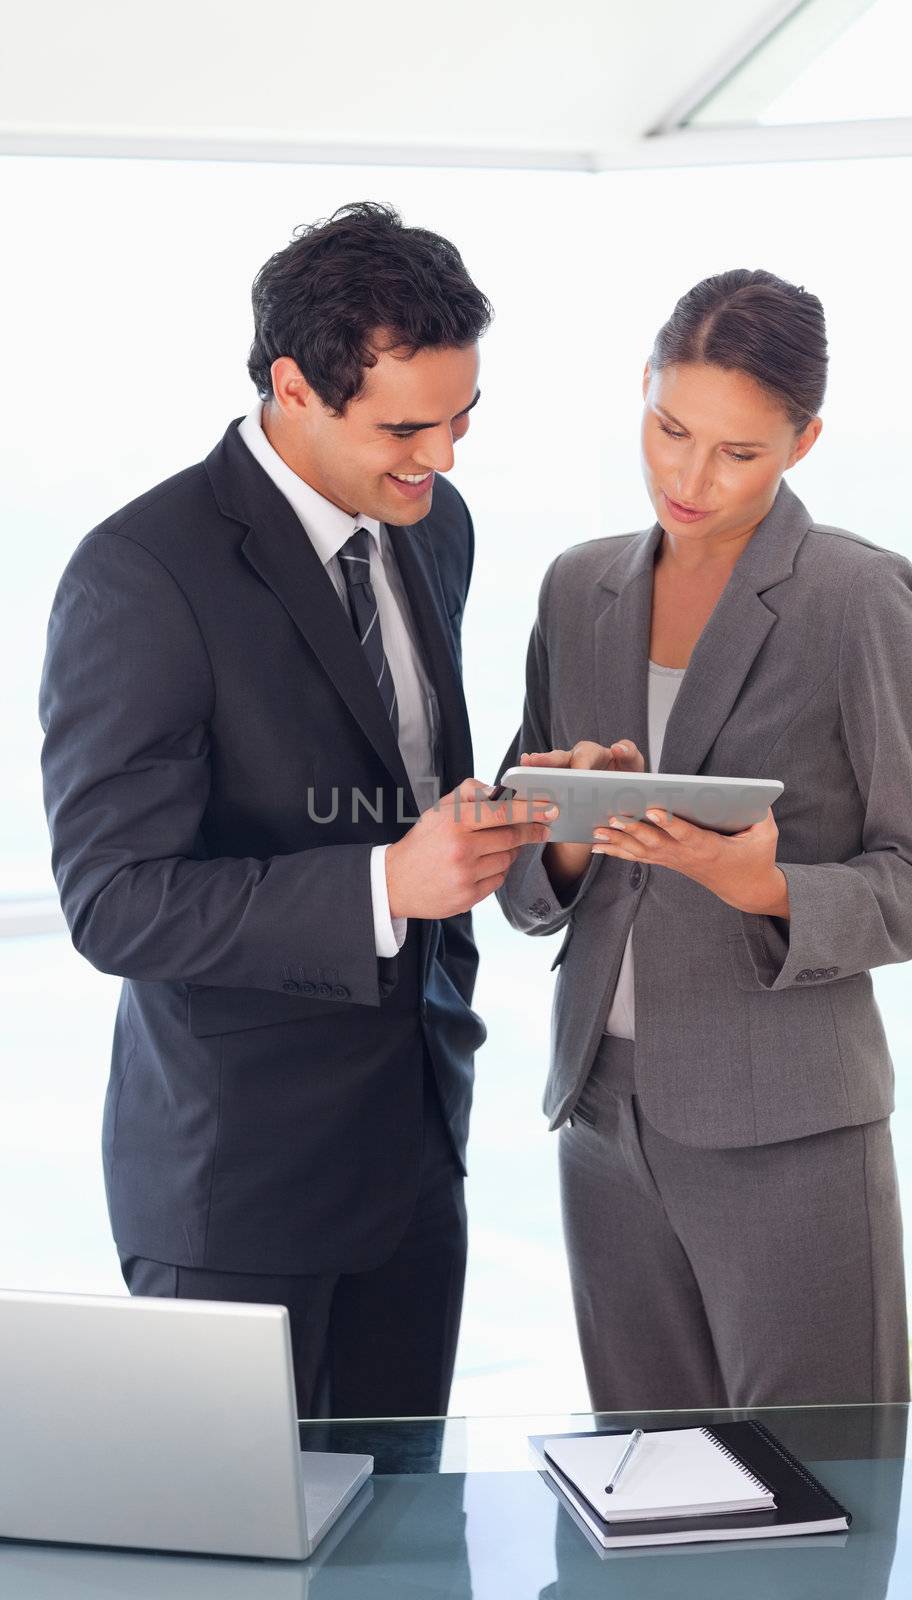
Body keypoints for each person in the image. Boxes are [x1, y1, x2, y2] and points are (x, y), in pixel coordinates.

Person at [38, 200, 554, 1419]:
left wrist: (530, 806)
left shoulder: (437, 529)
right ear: (291, 384)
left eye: (461, 417)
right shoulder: (141, 574)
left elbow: (404, 773)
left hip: (420, 1150)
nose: (440, 457)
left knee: (407, 1548)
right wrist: (384, 886)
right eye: (404, 427)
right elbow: (113, 903)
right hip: (237, 1190)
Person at [496, 268, 912, 1410]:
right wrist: (567, 839)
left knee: (820, 1515)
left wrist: (761, 885)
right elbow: (522, 877)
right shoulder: (576, 589)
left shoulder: (856, 599)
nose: (688, 477)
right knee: (645, 1502)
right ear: (644, 394)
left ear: (802, 443)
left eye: (736, 452)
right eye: (668, 430)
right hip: (600, 1118)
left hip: (789, 1134)